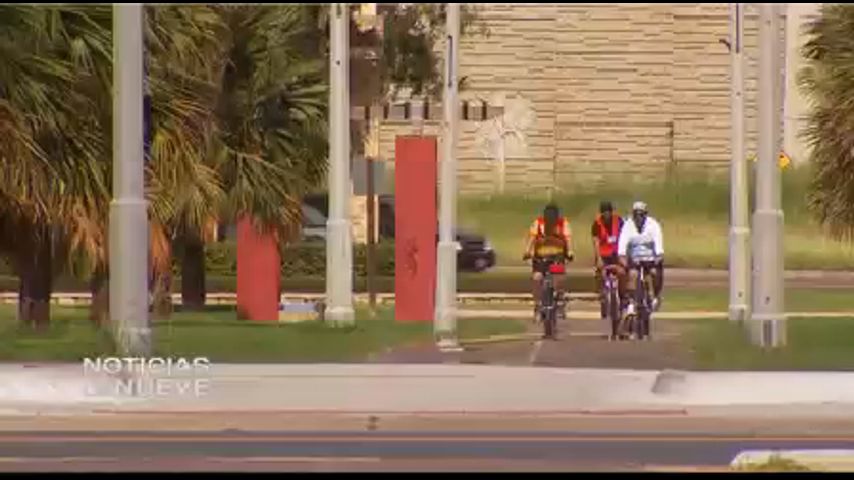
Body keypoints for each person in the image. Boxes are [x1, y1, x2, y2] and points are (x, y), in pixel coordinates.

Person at [523, 203, 574, 330]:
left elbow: (568, 240)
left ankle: (560, 300)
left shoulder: (563, 224)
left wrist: (570, 252)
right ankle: (538, 305)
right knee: (537, 278)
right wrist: (527, 251)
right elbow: (531, 239)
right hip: (540, 259)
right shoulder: (538, 224)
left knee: (559, 278)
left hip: (557, 258)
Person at [617, 201, 664, 312]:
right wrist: (623, 258)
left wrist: (658, 257)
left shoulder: (653, 225)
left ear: (645, 215)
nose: (638, 218)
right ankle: (631, 302)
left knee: (653, 273)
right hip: (635, 259)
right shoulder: (628, 226)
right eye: (636, 215)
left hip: (650, 258)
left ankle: (655, 296)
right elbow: (622, 246)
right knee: (633, 275)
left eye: (641, 215)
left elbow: (658, 245)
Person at [590, 201, 627, 321]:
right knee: (600, 274)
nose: (606, 214)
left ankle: (623, 297)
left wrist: (624, 255)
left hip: (617, 254)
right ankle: (602, 296)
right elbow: (596, 242)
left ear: (611, 212)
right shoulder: (597, 224)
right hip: (603, 255)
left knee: (622, 273)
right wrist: (598, 258)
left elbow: (625, 237)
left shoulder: (619, 221)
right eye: (604, 212)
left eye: (608, 212)